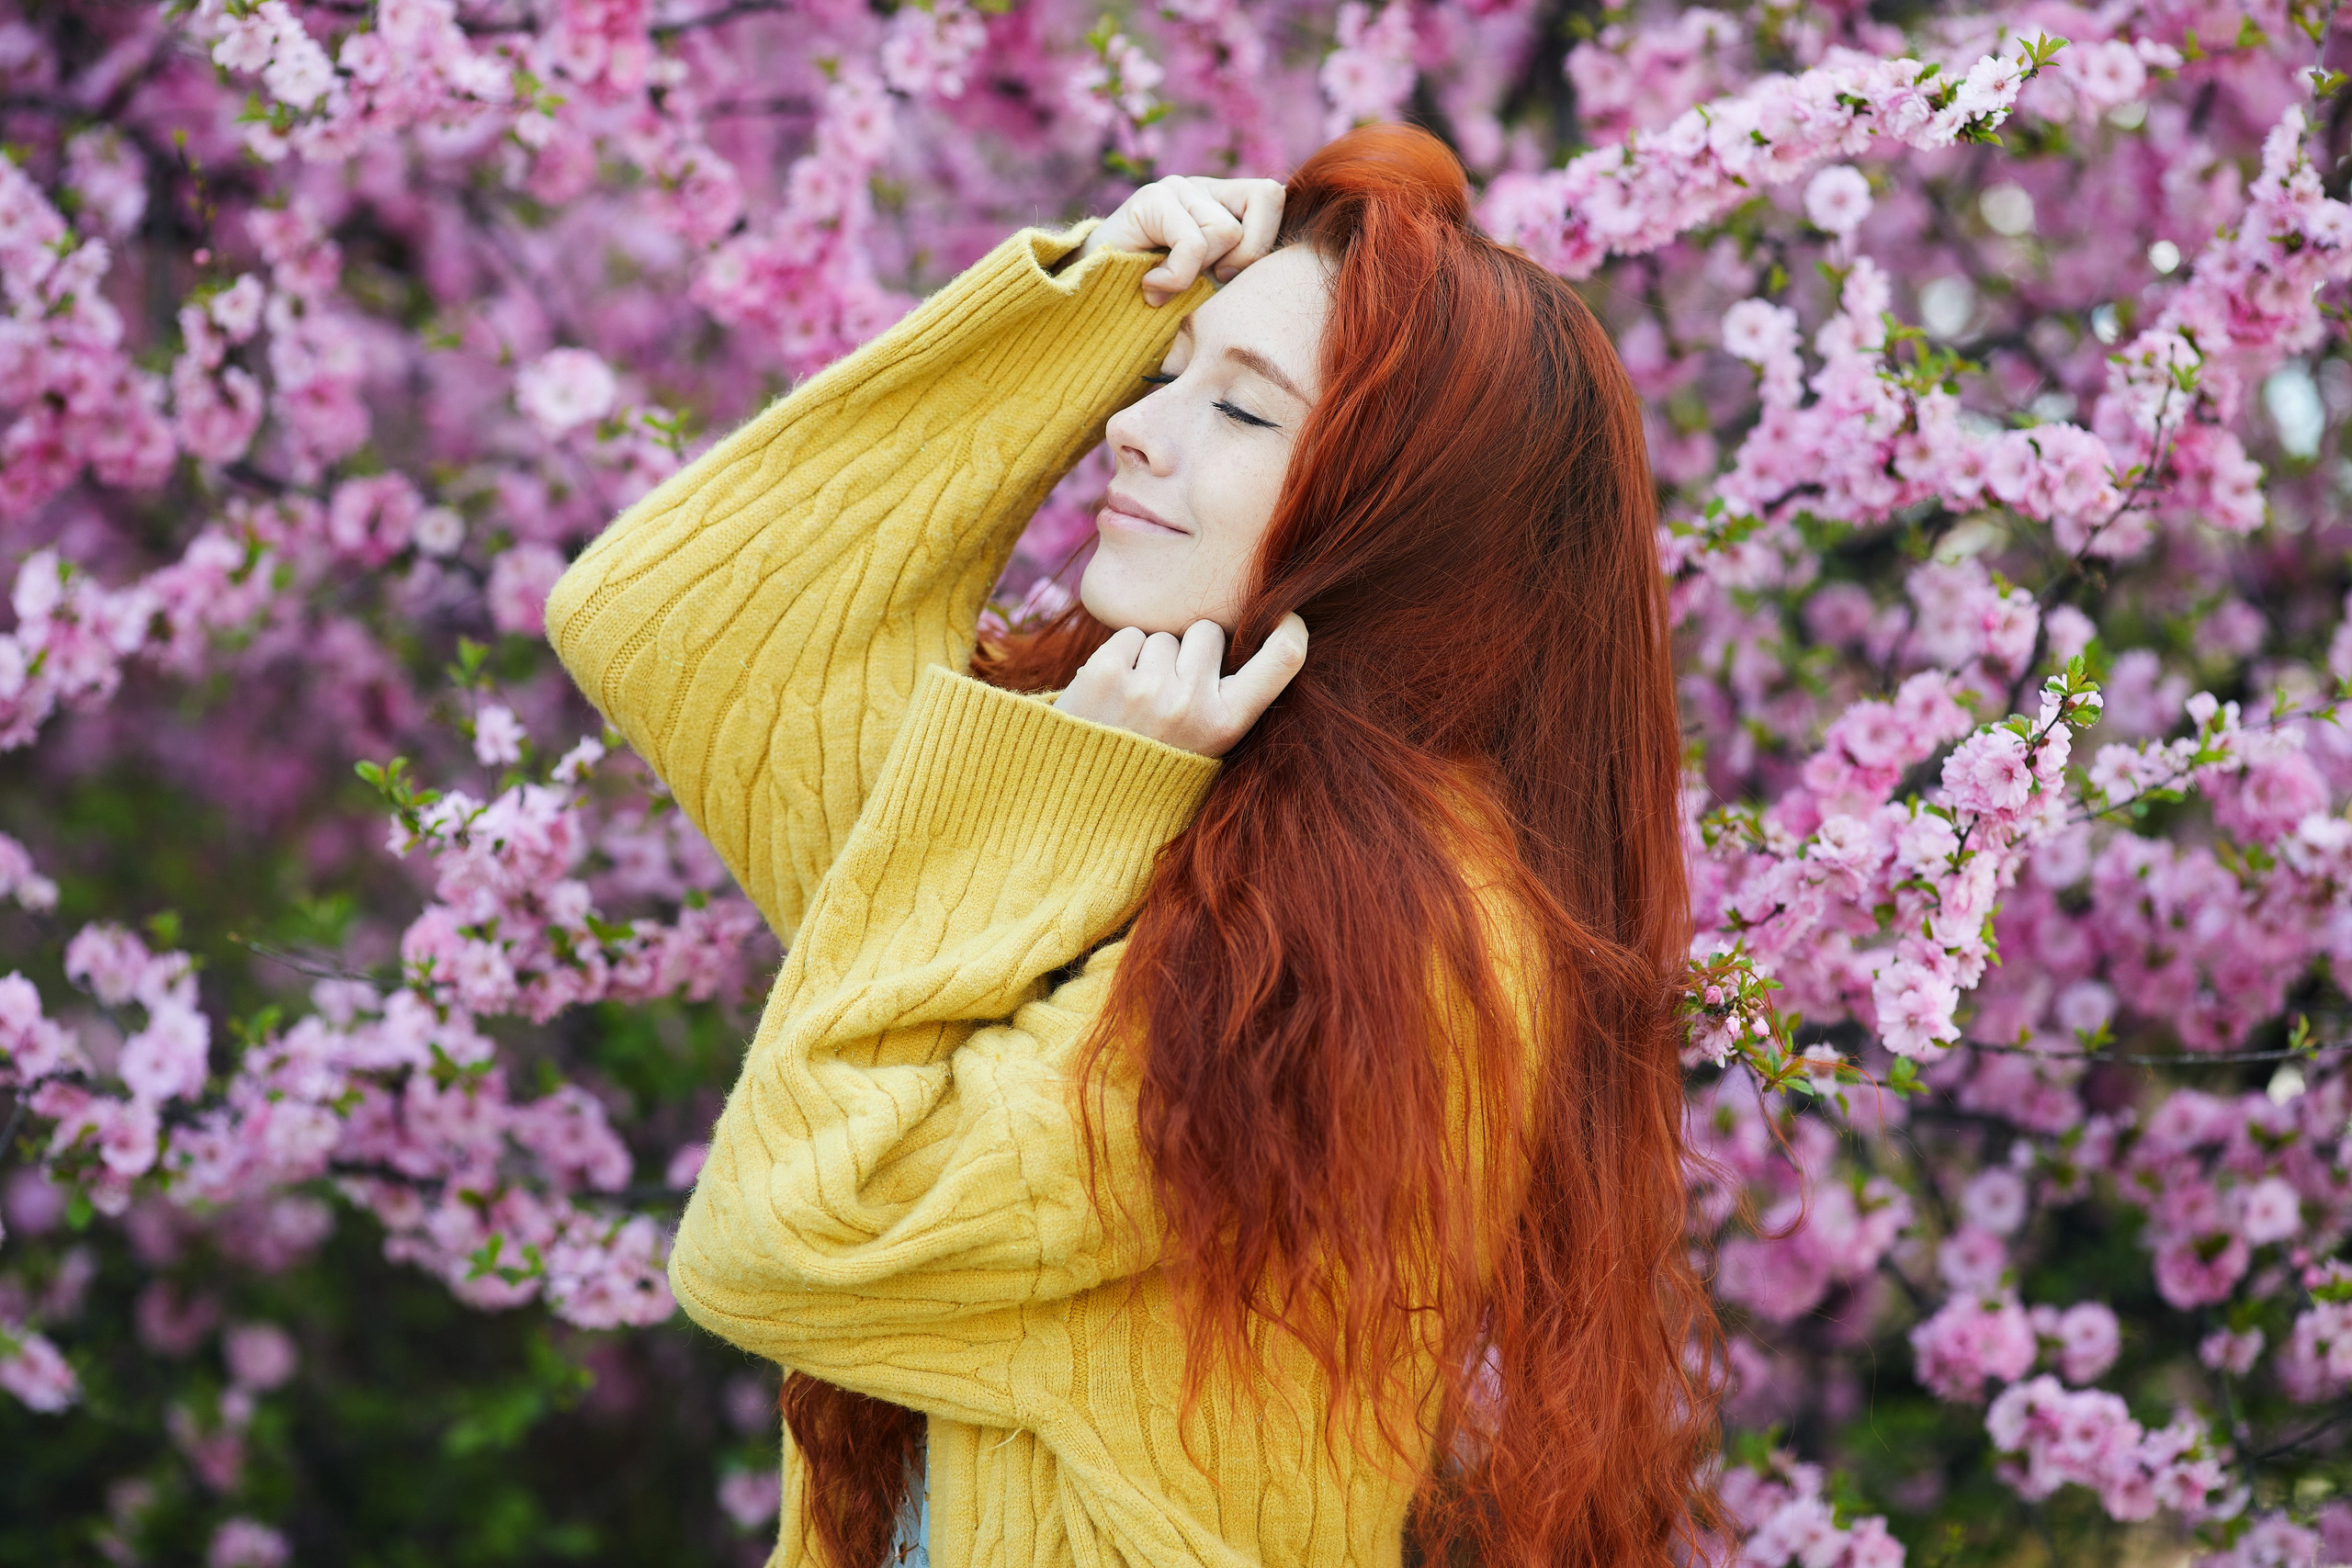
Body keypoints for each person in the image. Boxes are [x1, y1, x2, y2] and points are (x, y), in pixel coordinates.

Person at [545, 122, 1719, 1568]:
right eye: (1166, 377)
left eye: (1240, 412)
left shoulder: (1400, 934)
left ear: (1400, 515)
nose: (1130, 426)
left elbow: (790, 1237)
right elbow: (672, 626)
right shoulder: (1170, 795)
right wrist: (1103, 303)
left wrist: (1052, 805)